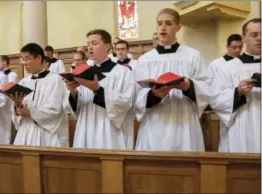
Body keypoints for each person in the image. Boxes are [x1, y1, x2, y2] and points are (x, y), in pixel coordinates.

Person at [134, 8, 210, 151]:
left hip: (185, 122)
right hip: (155, 123)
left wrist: (189, 86)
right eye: (159, 23)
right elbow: (136, 94)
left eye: (168, 23)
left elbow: (206, 87)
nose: (163, 27)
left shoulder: (193, 56)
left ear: (178, 27)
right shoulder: (145, 60)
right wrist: (153, 95)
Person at [63, 29, 135, 149]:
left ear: (107, 47)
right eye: (88, 44)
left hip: (109, 130)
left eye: (94, 43)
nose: (90, 47)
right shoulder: (81, 72)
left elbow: (125, 103)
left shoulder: (123, 72)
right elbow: (73, 107)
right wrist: (73, 92)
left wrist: (97, 89)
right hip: (86, 126)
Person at [209, 18, 261, 153]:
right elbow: (216, 100)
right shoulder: (227, 68)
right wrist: (237, 92)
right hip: (240, 129)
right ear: (244, 38)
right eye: (254, 35)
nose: (259, 39)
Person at [10, 43, 69, 147]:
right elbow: (16, 109)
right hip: (25, 132)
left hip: (46, 134)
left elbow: (55, 109)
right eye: (22, 59)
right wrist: (17, 107)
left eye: (27, 59)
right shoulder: (23, 82)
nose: (24, 63)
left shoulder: (56, 80)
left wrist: (29, 113)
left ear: (38, 58)